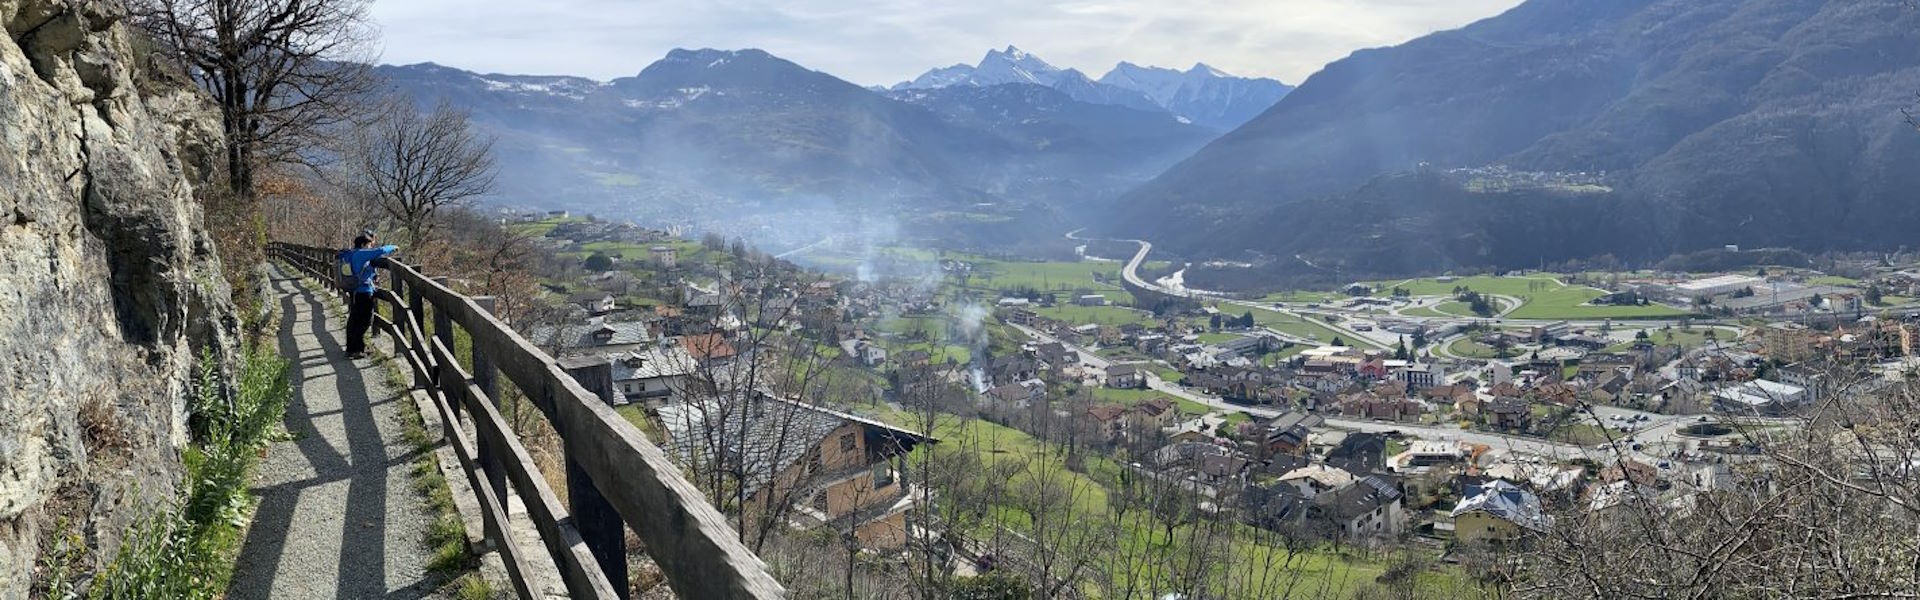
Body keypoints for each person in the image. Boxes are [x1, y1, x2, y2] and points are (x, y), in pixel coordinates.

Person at [337, 233, 399, 359]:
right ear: (363, 244)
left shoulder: (352, 254)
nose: (370, 247)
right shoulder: (361, 253)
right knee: (364, 321)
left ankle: (352, 348)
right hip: (364, 292)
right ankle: (357, 349)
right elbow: (380, 251)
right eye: (369, 244)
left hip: (355, 291)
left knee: (354, 320)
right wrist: (393, 247)